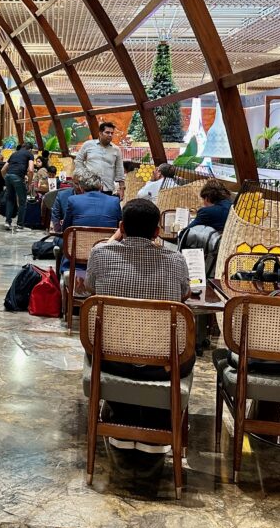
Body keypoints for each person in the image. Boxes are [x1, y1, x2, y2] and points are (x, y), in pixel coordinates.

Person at [85, 198, 192, 452]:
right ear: (157, 232)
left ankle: (121, 417)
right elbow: (184, 293)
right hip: (163, 365)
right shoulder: (175, 259)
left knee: (111, 341)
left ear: (121, 226)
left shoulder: (100, 254)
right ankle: (156, 425)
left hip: (110, 358)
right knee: (185, 350)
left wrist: (115, 239)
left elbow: (91, 288)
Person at [74, 121, 125, 198]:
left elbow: (119, 169)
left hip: (107, 188)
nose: (110, 135)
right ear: (100, 133)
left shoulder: (116, 150)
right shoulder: (88, 145)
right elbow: (78, 161)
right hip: (89, 186)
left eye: (112, 133)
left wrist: (121, 188)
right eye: (107, 132)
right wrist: (84, 174)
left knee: (105, 209)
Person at [2, 141, 35, 231]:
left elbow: (3, 169)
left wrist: (6, 179)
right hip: (18, 177)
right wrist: (29, 184)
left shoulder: (14, 154)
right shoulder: (29, 154)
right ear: (30, 149)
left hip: (8, 176)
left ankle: (7, 222)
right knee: (22, 201)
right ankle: (20, 224)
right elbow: (31, 170)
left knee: (10, 199)